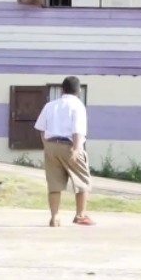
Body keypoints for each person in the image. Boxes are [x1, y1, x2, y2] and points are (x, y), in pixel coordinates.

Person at [33, 76, 93, 227]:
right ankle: (80, 214)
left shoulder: (50, 105)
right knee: (83, 181)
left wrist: (46, 145)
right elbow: (77, 130)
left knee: (54, 183)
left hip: (51, 145)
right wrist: (77, 150)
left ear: (62, 89)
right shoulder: (78, 106)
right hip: (69, 144)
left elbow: (41, 129)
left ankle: (55, 217)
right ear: (79, 91)